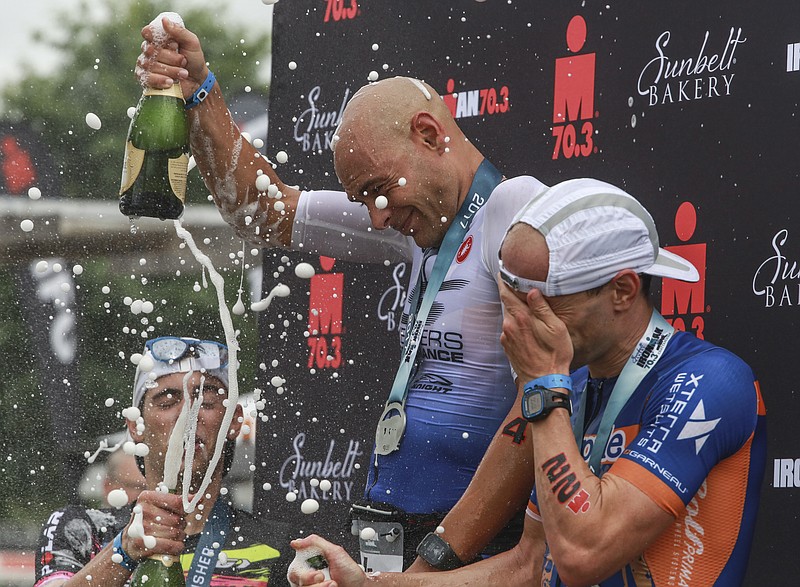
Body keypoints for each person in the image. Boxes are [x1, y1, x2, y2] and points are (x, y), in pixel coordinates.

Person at [137, 18, 548, 568]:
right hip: (403, 536)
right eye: (363, 199)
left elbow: (541, 402)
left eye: (379, 190)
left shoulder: (513, 210)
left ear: (429, 134)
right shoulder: (421, 226)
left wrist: (437, 557)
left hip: (466, 548)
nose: (376, 217)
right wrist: (199, 92)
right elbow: (262, 212)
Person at [286, 178, 767, 586]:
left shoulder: (707, 380)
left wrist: (542, 384)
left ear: (622, 290)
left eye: (540, 303)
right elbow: (530, 565)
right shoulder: (569, 391)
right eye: (509, 300)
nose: (513, 326)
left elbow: (582, 555)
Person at [34, 336, 291, 586]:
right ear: (136, 426)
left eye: (206, 400)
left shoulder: (280, 546)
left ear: (235, 421)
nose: (187, 414)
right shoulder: (81, 529)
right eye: (167, 401)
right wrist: (125, 551)